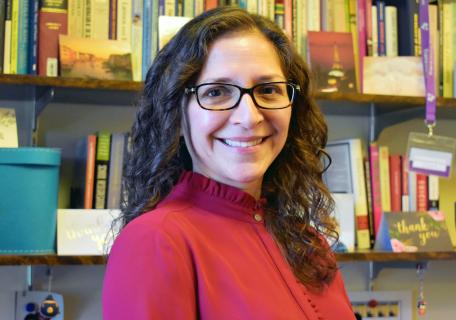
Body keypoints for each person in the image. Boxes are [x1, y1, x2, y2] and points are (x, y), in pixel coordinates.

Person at [102, 7, 355, 320]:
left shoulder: (307, 241)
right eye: (217, 92)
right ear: (177, 111)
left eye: (268, 89)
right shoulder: (156, 240)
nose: (249, 118)